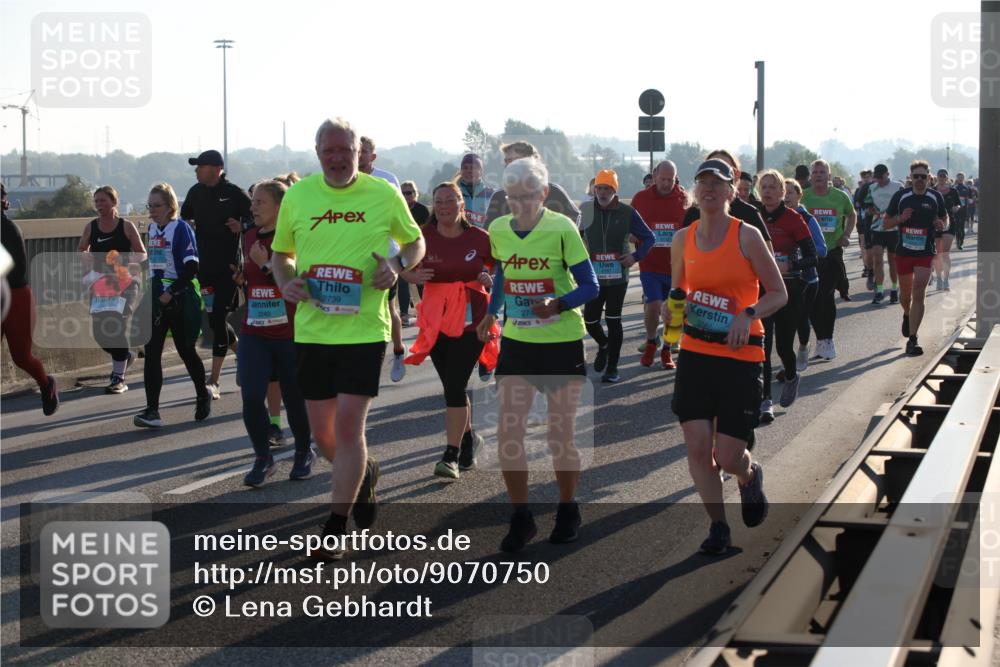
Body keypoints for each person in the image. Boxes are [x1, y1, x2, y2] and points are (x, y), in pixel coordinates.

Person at [271, 117, 424, 560]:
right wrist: (285, 282)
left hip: (364, 329)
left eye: (346, 150)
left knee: (348, 426)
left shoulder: (382, 194)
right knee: (323, 439)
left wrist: (396, 266)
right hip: (313, 331)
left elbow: (415, 243)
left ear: (360, 153)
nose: (337, 158)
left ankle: (334, 528)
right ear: (318, 153)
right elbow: (282, 254)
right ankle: (364, 473)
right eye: (329, 151)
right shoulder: (299, 197)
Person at [476, 157, 598, 553]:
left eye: (528, 197)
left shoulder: (562, 228)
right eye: (513, 198)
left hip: (562, 342)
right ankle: (521, 516)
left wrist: (559, 304)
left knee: (559, 435)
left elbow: (590, 285)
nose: (520, 205)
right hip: (518, 343)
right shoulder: (497, 229)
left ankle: (567, 508)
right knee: (508, 433)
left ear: (543, 194)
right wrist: (491, 313)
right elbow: (503, 275)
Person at [664, 159, 786, 555]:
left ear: (732, 191)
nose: (710, 189)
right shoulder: (683, 239)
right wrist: (670, 314)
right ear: (694, 191)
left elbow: (778, 293)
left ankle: (748, 475)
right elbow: (678, 291)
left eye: (718, 183)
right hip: (697, 353)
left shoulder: (746, 236)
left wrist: (747, 313)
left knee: (728, 455)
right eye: (703, 182)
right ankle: (718, 526)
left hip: (740, 356)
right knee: (698, 448)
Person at [401, 182, 495, 478]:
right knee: (453, 387)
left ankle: (450, 456)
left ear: (461, 204)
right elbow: (396, 263)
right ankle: (469, 440)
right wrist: (409, 275)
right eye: (439, 201)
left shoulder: (480, 238)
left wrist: (488, 276)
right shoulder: (422, 236)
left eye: (450, 201)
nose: (444, 206)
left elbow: (500, 268)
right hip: (436, 322)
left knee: (455, 385)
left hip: (473, 323)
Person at [236, 180, 314, 486]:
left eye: (260, 202)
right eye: (252, 201)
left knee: (294, 399)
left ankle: (303, 451)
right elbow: (253, 282)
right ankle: (263, 457)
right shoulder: (249, 236)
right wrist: (242, 277)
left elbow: (294, 282)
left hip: (290, 332)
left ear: (279, 208)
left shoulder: (295, 239)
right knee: (252, 396)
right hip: (254, 330)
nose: (253, 207)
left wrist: (265, 265)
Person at [134, 183, 211, 428]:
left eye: (157, 206)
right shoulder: (152, 228)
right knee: (152, 351)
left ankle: (202, 393)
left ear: (170, 207)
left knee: (185, 350)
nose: (152, 210)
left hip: (181, 295)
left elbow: (191, 268)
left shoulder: (182, 229)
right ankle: (152, 410)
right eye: (150, 205)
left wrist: (171, 292)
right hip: (157, 295)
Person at [180, 149, 251, 400]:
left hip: (229, 268)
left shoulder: (234, 193)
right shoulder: (195, 192)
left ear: (215, 169)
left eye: (199, 166)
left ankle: (214, 381)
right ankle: (243, 356)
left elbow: (261, 217)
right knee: (214, 319)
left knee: (219, 315)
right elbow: (184, 216)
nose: (196, 170)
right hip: (204, 268)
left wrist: (242, 226)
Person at [580, 169, 654, 382]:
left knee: (613, 321)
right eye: (599, 188)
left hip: (617, 278)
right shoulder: (585, 210)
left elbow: (649, 238)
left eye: (607, 189)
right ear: (594, 189)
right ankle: (603, 344)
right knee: (590, 321)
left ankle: (613, 366)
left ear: (614, 190)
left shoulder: (627, 212)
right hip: (593, 279)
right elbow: (575, 237)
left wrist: (635, 257)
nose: (602, 193)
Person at [755, 169, 816, 423]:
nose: (768, 191)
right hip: (762, 291)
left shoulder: (793, 219)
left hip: (789, 290)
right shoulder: (754, 217)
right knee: (763, 346)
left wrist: (789, 266)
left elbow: (813, 256)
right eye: (764, 187)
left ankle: (791, 374)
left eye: (773, 187)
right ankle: (765, 400)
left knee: (783, 347)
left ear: (783, 192)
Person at [77, 185, 146, 393]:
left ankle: (118, 379)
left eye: (103, 201)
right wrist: (85, 258)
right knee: (100, 333)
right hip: (101, 284)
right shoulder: (91, 227)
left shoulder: (126, 226)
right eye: (96, 201)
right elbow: (81, 248)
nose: (99, 205)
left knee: (117, 324)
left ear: (114, 202)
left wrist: (125, 263)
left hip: (125, 282)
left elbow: (141, 253)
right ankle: (124, 355)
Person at [1, 182, 59, 415]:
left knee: (22, 357)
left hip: (15, 298)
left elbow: (14, 272)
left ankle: (47, 384)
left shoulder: (9, 229)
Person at [884, 160, 947, 356]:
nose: (919, 180)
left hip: (924, 253)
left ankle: (913, 339)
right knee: (906, 296)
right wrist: (900, 219)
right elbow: (886, 223)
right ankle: (906, 313)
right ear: (910, 178)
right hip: (904, 252)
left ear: (929, 178)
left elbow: (945, 219)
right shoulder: (901, 196)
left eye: (923, 177)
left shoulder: (935, 197)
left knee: (919, 293)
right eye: (916, 176)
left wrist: (941, 224)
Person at [359, 135, 408, 381]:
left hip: (385, 255)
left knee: (389, 307)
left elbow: (399, 218)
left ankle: (398, 351)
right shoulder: (340, 182)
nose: (359, 155)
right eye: (355, 150)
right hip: (353, 256)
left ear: (373, 156)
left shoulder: (387, 180)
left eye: (364, 151)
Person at [631, 160, 688, 370]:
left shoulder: (684, 200)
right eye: (662, 179)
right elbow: (631, 227)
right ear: (654, 176)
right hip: (650, 265)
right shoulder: (640, 198)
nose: (666, 183)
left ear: (676, 178)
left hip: (676, 267)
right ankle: (650, 342)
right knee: (654, 304)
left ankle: (667, 349)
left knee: (673, 311)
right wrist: (633, 237)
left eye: (670, 180)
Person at [801, 159, 856, 359]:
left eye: (822, 172)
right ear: (810, 176)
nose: (818, 175)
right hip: (811, 254)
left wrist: (846, 235)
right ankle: (821, 339)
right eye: (815, 172)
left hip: (832, 252)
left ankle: (828, 339)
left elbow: (852, 215)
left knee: (827, 294)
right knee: (813, 298)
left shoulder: (840, 197)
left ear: (829, 176)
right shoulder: (803, 197)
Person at [782, 178, 827, 376]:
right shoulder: (777, 219)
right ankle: (787, 362)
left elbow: (822, 250)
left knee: (800, 319)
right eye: (783, 192)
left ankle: (802, 347)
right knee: (784, 322)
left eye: (790, 192)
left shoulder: (808, 220)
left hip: (807, 280)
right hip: (784, 278)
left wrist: (801, 250)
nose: (786, 197)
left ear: (799, 195)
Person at [485, 141, 581, 226]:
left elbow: (575, 222)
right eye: (506, 161)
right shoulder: (499, 196)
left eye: (512, 160)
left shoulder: (554, 192)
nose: (508, 165)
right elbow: (488, 234)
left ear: (531, 161)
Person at [865, 164, 903, 304]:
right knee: (878, 259)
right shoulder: (872, 188)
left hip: (893, 229)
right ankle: (879, 290)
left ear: (887, 174)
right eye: (877, 178)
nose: (879, 181)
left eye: (882, 177)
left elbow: (904, 204)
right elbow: (868, 206)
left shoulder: (898, 186)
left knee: (893, 261)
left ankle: (894, 289)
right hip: (877, 228)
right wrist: (871, 211)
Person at [399, 181, 430, 326]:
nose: (407, 195)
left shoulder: (422, 210)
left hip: (419, 250)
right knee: (403, 282)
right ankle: (404, 314)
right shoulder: (398, 208)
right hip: (401, 250)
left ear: (415, 194)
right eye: (403, 192)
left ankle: (427, 313)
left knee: (420, 282)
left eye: (410, 192)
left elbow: (427, 232)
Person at [932, 170, 961, 291]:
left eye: (944, 176)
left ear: (947, 178)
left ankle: (946, 280)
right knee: (937, 253)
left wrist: (956, 208)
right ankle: (938, 278)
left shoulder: (953, 190)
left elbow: (959, 204)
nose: (942, 178)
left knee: (945, 253)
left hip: (949, 223)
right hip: (935, 223)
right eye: (940, 176)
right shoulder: (932, 190)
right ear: (937, 177)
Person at [457, 153, 496, 230]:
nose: (469, 171)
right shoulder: (453, 193)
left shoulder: (492, 194)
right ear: (461, 171)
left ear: (481, 171)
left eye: (473, 168)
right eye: (465, 168)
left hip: (484, 239)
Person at [954, 172, 971, 250]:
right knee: (957, 227)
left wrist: (969, 202)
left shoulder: (967, 188)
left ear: (964, 178)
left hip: (964, 210)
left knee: (962, 227)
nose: (960, 179)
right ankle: (958, 242)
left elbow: (970, 199)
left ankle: (961, 242)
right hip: (956, 210)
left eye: (961, 177)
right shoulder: (954, 187)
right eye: (959, 177)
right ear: (957, 178)